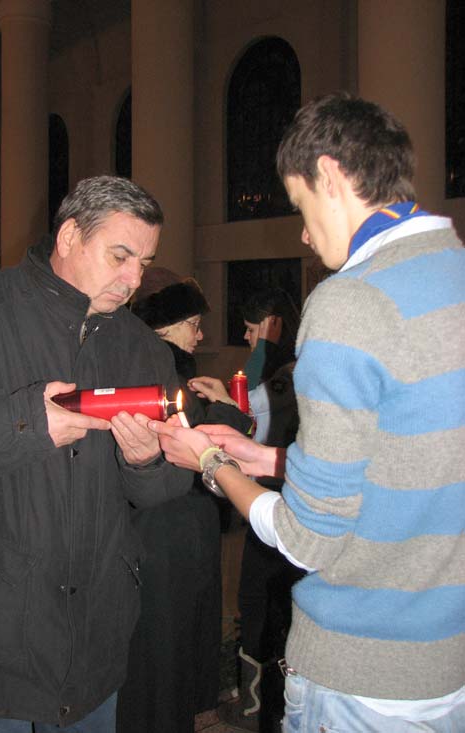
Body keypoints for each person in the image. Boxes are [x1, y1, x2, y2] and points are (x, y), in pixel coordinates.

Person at [149, 92, 465, 732]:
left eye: (300, 205)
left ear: (329, 175)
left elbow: (306, 538)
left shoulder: (350, 302)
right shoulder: (452, 272)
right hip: (445, 658)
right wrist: (270, 458)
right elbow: (406, 458)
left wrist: (210, 461)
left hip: (363, 674)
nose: (302, 232)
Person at [0, 175, 193, 733]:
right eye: (120, 256)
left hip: (93, 634)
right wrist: (25, 423)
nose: (134, 280)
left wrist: (146, 463)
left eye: (144, 263)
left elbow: (169, 485)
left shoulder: (142, 348)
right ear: (69, 236)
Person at [116, 270, 253, 733]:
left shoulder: (177, 372)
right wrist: (226, 410)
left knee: (182, 635)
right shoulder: (157, 372)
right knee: (165, 643)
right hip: (162, 533)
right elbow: (193, 443)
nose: (200, 335)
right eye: (192, 324)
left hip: (182, 529)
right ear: (162, 326)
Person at [192, 288, 304, 732]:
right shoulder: (284, 369)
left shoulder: (291, 371)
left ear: (274, 326)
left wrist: (262, 351)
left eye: (252, 327)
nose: (245, 336)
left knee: (261, 602)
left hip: (279, 503)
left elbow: (253, 407)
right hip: (270, 493)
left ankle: (257, 706)